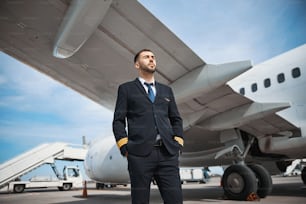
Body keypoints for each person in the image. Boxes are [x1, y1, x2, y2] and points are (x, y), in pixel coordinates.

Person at [113, 49, 184, 204]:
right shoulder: (126, 89)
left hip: (167, 154)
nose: (151, 59)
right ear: (137, 64)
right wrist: (125, 147)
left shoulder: (167, 90)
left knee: (175, 201)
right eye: (146, 57)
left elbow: (176, 119)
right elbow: (118, 121)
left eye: (153, 57)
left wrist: (178, 143)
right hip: (139, 155)